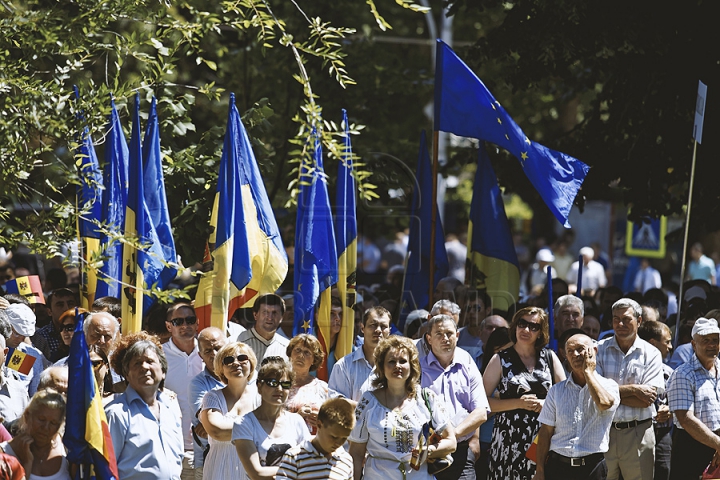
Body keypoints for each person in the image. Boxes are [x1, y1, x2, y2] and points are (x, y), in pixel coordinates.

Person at [349, 335, 456, 480]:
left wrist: (427, 451)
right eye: (391, 361)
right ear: (381, 366)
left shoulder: (426, 398)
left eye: (403, 361)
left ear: (412, 365)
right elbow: (356, 453)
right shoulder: (368, 401)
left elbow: (451, 441)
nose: (397, 366)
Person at [482, 306, 566, 480]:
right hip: (507, 439)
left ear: (541, 333)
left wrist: (546, 404)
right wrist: (519, 403)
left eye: (533, 326)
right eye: (522, 323)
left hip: (543, 438)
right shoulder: (500, 359)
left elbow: (566, 396)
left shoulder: (550, 357)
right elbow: (481, 402)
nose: (526, 330)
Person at [533, 333, 619, 480]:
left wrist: (588, 373)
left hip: (592, 468)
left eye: (580, 349)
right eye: (570, 351)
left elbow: (604, 404)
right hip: (558, 466)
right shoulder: (556, 391)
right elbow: (545, 432)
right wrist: (539, 470)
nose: (575, 354)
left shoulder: (609, 386)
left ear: (594, 351)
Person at [595, 298, 665, 480]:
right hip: (603, 432)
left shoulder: (651, 353)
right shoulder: (598, 349)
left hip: (638, 433)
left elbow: (647, 401)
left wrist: (608, 394)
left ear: (639, 321)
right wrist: (634, 389)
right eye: (616, 319)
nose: (620, 324)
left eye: (626, 319)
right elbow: (595, 394)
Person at [421, 314, 489, 480]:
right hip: (425, 453)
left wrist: (452, 437)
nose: (445, 338)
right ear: (429, 339)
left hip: (461, 453)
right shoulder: (417, 368)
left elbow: (481, 412)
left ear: (457, 336)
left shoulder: (467, 364)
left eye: (450, 333)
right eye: (439, 334)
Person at [106, 338, 184, 480]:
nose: (144, 367)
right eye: (137, 363)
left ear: (163, 371)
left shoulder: (170, 408)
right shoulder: (117, 413)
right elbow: (107, 468)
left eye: (150, 361)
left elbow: (178, 456)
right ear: (127, 375)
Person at [232, 357, 311, 479]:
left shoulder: (297, 421)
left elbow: (309, 464)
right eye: (272, 383)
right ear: (259, 386)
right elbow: (256, 473)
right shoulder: (243, 424)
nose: (279, 389)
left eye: (285, 384)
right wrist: (294, 468)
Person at [667, 317, 720, 479]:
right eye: (705, 340)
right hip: (691, 448)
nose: (712, 345)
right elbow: (686, 419)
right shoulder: (683, 374)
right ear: (693, 344)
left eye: (715, 340)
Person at [199, 342, 259, 480]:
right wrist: (257, 428)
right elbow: (217, 431)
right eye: (229, 360)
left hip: (254, 469)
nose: (236, 363)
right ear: (221, 368)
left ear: (251, 364)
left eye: (242, 358)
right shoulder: (212, 397)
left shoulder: (262, 398)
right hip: (220, 468)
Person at [162, 303, 204, 479]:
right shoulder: (157, 355)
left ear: (197, 323)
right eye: (178, 321)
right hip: (173, 447)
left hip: (207, 447)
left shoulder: (209, 352)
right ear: (169, 326)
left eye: (190, 320)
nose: (185, 326)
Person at [276, 398, 355, 480]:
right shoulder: (295, 457)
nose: (338, 443)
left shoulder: (346, 460)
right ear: (319, 425)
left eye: (344, 438)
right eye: (334, 437)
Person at [0, 389, 69, 480]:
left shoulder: (67, 449)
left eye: (53, 423)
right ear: (27, 415)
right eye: (41, 419)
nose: (45, 427)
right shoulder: (5, 452)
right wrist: (27, 464)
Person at [328, 306, 391, 402]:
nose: (378, 330)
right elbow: (337, 404)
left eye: (383, 326)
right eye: (373, 325)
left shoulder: (396, 366)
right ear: (362, 328)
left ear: (389, 330)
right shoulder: (344, 366)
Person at [189, 326, 227, 479]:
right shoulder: (197, 384)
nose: (215, 354)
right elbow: (208, 422)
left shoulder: (249, 378)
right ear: (200, 356)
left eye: (218, 348)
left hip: (242, 458)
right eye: (208, 351)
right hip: (209, 461)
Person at [637, 320, 673, 480]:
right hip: (636, 433)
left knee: (663, 471)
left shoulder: (669, 373)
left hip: (662, 434)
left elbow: (678, 404)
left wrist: (670, 411)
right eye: (667, 342)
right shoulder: (635, 371)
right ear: (653, 343)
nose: (670, 347)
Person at [2, 304, 48, 397]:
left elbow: (34, 395)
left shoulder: (30, 355)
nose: (21, 339)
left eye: (25, 335)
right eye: (17, 334)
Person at [286, 334, 328, 434]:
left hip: (315, 446)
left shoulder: (323, 388)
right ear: (290, 353)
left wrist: (322, 420)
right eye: (298, 350)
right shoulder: (278, 384)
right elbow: (268, 418)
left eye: (307, 353)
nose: (301, 356)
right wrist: (296, 417)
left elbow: (333, 422)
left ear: (314, 359)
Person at [237, 294, 290, 364]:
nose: (270, 317)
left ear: (281, 318)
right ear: (255, 315)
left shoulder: (288, 348)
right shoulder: (236, 342)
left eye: (274, 313)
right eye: (265, 312)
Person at [33, 288, 77, 362]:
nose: (66, 308)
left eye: (70, 304)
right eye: (60, 305)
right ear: (49, 311)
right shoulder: (40, 336)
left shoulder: (85, 332)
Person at [0, 335, 29, 423]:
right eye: (15, 333)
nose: (19, 338)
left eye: (21, 334)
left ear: (5, 353)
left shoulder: (19, 390)